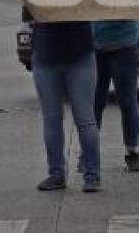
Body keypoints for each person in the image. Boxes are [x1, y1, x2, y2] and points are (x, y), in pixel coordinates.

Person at [31, 21, 101, 193]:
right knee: (83, 120)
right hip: (66, 50)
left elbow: (29, 11)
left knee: (57, 119)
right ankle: (89, 175)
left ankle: (60, 174)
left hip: (53, 50)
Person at [90, 20, 139, 173]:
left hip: (125, 44)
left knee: (127, 101)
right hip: (95, 44)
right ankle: (89, 152)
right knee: (94, 102)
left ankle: (132, 150)